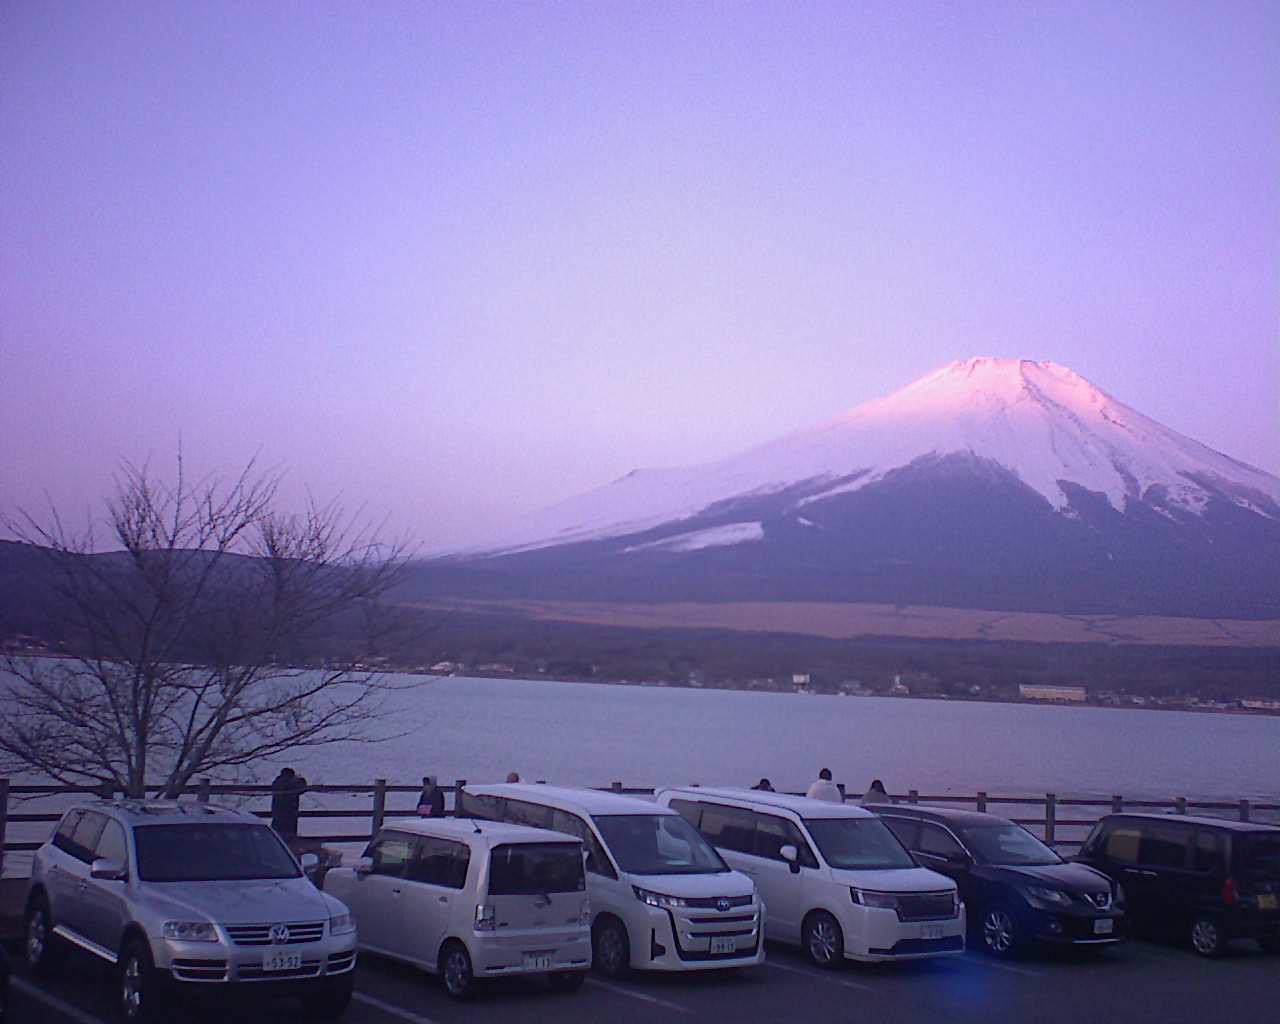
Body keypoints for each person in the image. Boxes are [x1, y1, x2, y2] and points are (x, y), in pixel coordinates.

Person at [270, 767, 307, 839]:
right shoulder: (293, 783)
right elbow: (302, 788)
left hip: (277, 811)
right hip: (289, 812)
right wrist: (301, 779)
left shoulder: (277, 781)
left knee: (277, 833)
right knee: (289, 834)